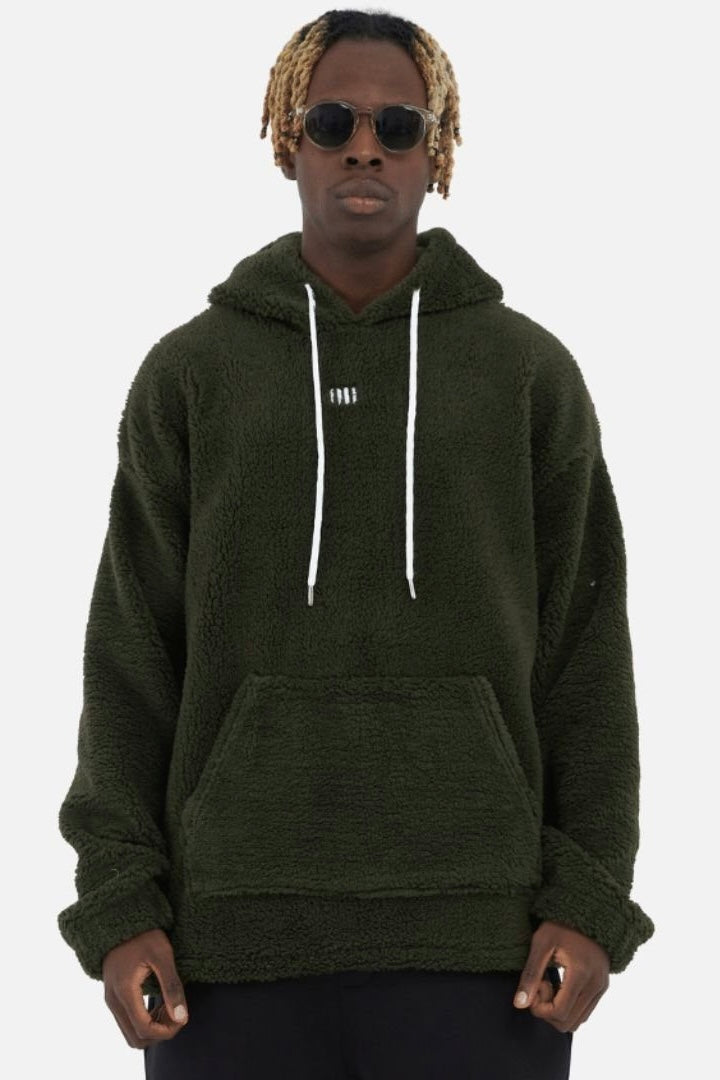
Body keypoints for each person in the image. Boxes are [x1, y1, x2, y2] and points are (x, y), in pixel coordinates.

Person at [56, 8, 655, 1078]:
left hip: (487, 946)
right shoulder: (191, 374)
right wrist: (117, 905)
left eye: (399, 125)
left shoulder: (527, 374)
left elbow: (586, 655)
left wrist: (591, 898)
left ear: (439, 148)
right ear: (289, 138)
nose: (365, 148)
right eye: (333, 121)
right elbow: (130, 656)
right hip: (227, 947)